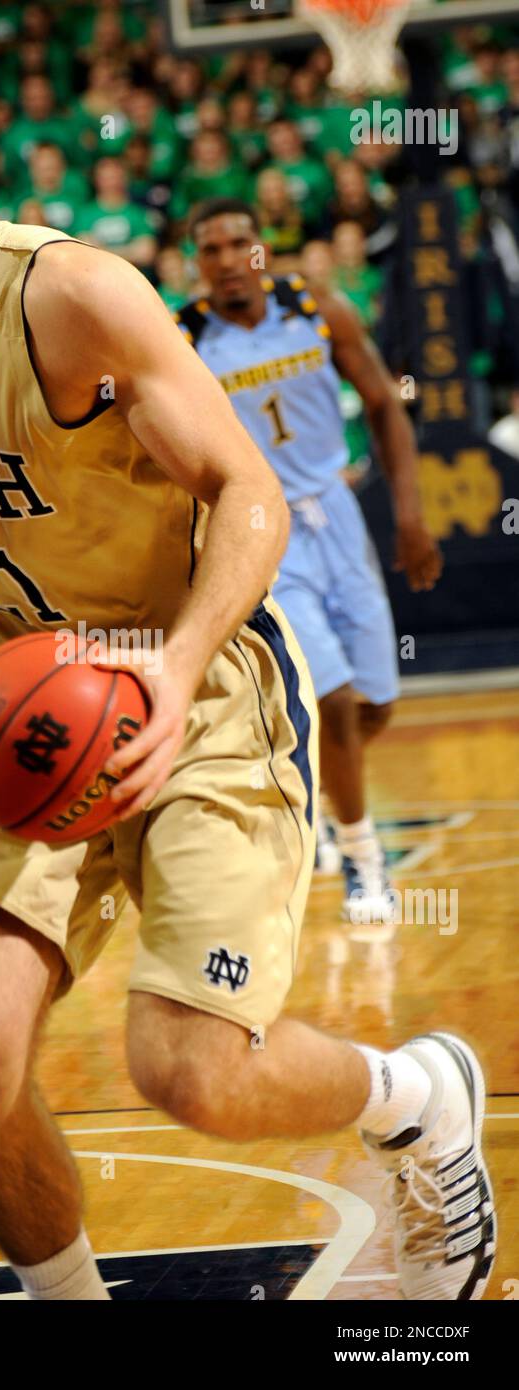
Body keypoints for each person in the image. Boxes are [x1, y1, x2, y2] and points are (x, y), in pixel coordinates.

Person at [0, 21, 494, 1303]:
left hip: (196, 690)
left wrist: (171, 658)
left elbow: (245, 489)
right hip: (26, 720)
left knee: (187, 1068)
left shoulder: (71, 296)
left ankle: (416, 1094)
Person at [177, 199, 442, 927]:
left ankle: (325, 799)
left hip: (340, 513)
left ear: (261, 251)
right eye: (212, 250)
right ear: (197, 266)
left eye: (240, 244)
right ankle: (365, 866)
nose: (229, 259)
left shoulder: (321, 313)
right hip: (261, 529)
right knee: (329, 701)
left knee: (372, 707)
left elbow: (386, 405)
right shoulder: (183, 343)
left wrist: (410, 515)